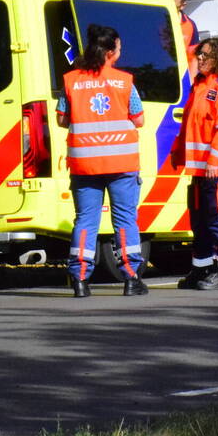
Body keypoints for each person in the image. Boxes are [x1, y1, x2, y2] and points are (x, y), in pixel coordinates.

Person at [57, 24, 147, 298]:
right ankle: (131, 277)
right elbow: (139, 119)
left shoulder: (71, 80)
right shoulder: (125, 81)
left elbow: (62, 118)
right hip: (120, 164)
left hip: (85, 164)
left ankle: (80, 279)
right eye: (119, 47)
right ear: (111, 52)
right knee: (124, 219)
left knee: (85, 220)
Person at [170, 37, 218, 290]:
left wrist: (214, 159)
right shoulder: (199, 85)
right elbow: (189, 125)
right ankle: (201, 269)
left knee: (217, 218)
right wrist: (178, 154)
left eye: (205, 55)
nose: (199, 58)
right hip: (201, 168)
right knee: (199, 220)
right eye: (199, 54)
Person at [172, 0, 200, 82]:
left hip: (181, 77)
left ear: (183, 5)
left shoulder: (190, 25)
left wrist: (191, 81)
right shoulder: (157, 22)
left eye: (174, 7)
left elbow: (193, 57)